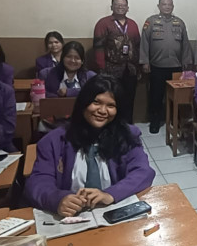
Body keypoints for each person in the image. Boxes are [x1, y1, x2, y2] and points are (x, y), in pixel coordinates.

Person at [26, 75, 155, 217]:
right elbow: (38, 182)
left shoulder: (127, 135)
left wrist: (110, 194)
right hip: (71, 217)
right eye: (96, 102)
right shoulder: (54, 140)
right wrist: (57, 199)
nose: (102, 110)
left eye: (110, 105)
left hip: (111, 214)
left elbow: (143, 172)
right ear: (83, 103)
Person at [140, 0, 193, 134]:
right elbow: (144, 43)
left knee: (176, 96)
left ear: (173, 7)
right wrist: (145, 61)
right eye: (164, 4)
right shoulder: (150, 21)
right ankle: (155, 121)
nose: (167, 7)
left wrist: (186, 61)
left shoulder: (179, 23)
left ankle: (174, 120)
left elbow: (185, 44)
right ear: (159, 6)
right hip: (157, 66)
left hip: (175, 66)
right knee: (156, 96)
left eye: (169, 5)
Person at [93, 0, 141, 124]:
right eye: (117, 5)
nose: (120, 7)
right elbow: (98, 47)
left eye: (123, 5)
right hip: (110, 69)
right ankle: (112, 126)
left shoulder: (132, 24)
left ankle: (128, 126)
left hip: (130, 69)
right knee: (111, 99)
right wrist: (101, 69)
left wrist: (139, 68)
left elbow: (137, 46)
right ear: (112, 7)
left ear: (127, 8)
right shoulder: (103, 23)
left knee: (129, 99)